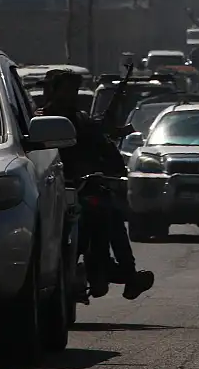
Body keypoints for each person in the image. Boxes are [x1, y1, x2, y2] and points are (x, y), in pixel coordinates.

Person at [38, 71, 154, 300]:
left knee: (111, 215)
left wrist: (115, 168)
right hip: (52, 186)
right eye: (65, 89)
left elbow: (101, 142)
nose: (70, 95)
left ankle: (127, 274)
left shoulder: (81, 119)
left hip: (85, 185)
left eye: (73, 89)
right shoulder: (41, 120)